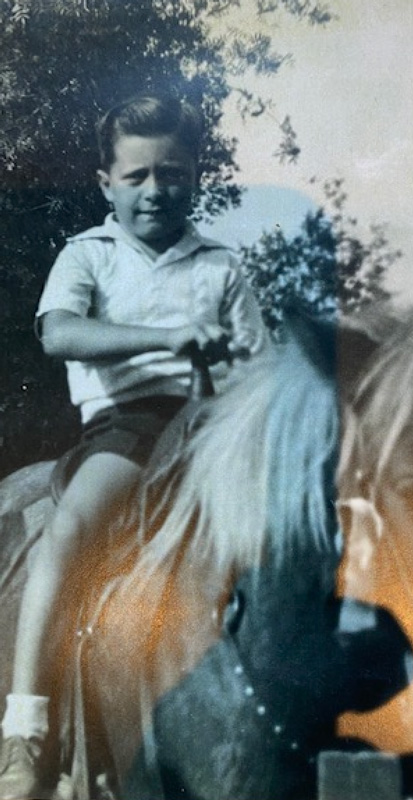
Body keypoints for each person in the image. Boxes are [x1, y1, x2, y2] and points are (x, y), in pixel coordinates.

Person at [0, 93, 267, 799]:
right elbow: (59, 333)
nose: (156, 190)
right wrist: (165, 340)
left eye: (173, 174)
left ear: (194, 178)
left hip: (215, 432)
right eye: (138, 176)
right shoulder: (89, 254)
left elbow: (260, 368)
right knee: (74, 527)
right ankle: (25, 729)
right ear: (106, 184)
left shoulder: (220, 265)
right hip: (127, 426)